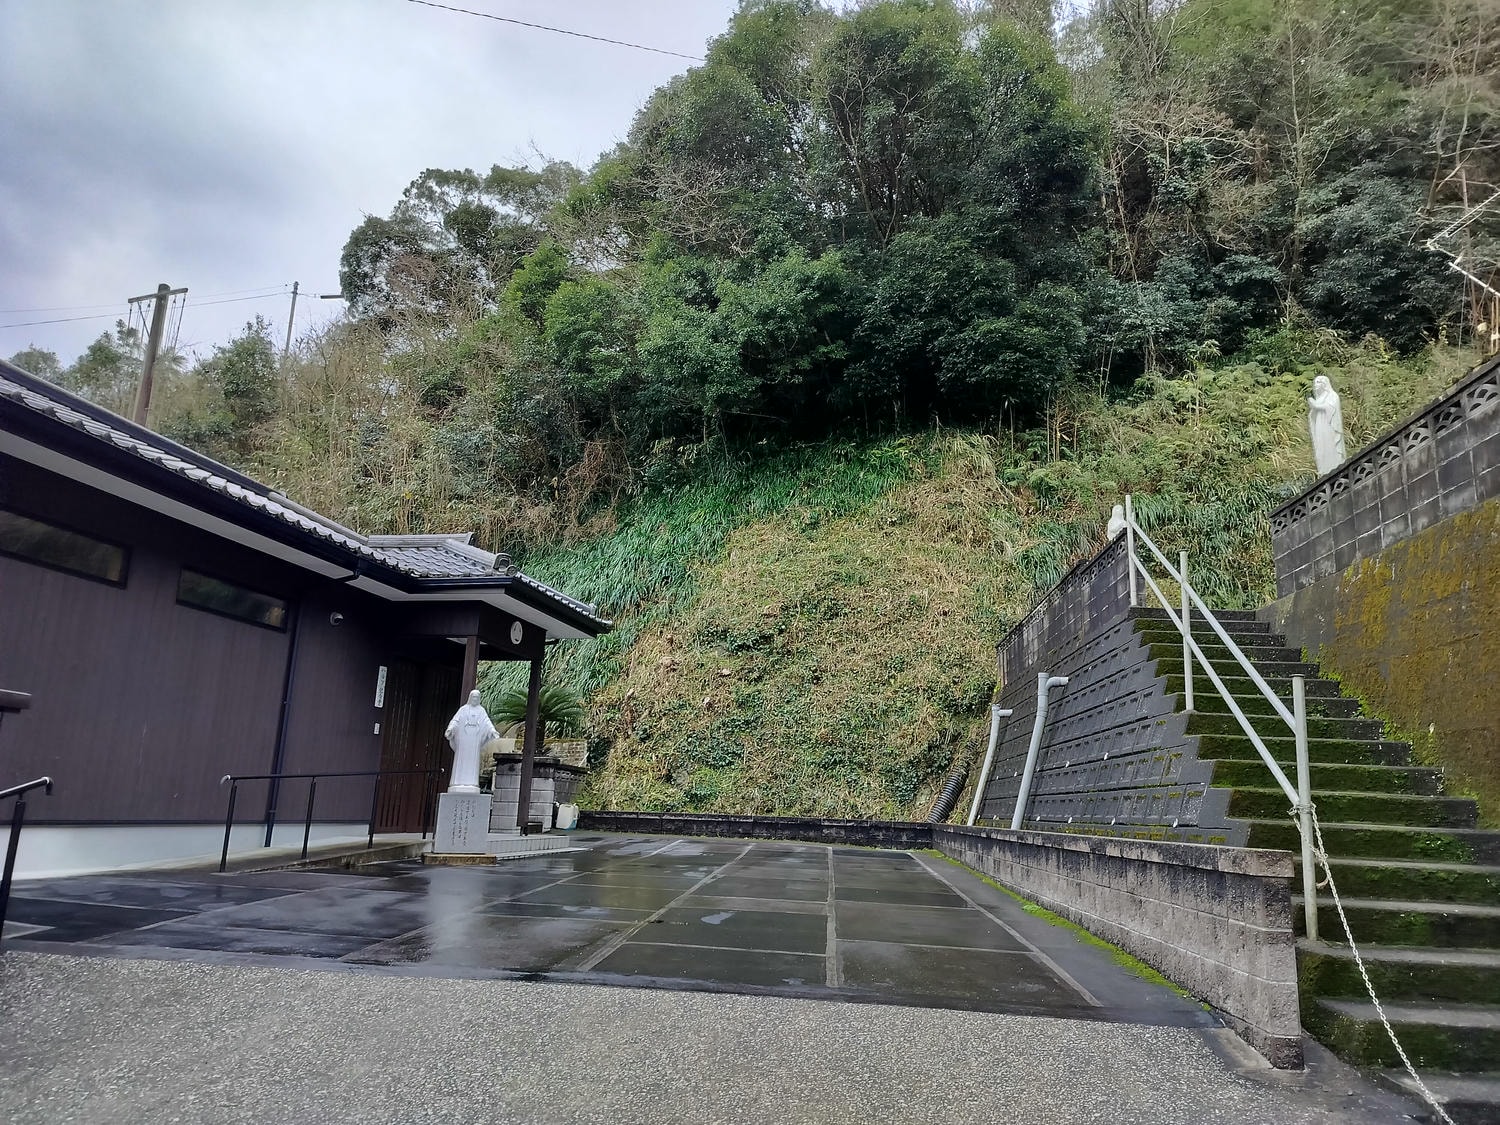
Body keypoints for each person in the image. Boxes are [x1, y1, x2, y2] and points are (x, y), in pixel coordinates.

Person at [444, 689, 499, 793]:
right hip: (463, 739)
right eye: (473, 697)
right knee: (461, 759)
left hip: (474, 740)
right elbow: (455, 721)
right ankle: (458, 782)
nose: (475, 699)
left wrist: (492, 731)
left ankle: (471, 782)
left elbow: (487, 722)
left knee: (472, 761)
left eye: (477, 697)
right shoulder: (463, 709)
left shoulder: (481, 711)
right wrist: (450, 729)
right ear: (470, 698)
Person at [1308, 375, 1347, 475]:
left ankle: (1335, 466)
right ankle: (1324, 469)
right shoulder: (1319, 399)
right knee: (1321, 446)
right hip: (1320, 426)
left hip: (1329, 425)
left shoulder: (1332, 395)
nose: (1315, 385)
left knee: (1330, 443)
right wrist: (1314, 408)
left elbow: (1332, 408)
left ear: (1324, 384)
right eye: (1315, 383)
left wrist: (1316, 406)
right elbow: (1313, 416)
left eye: (1318, 382)